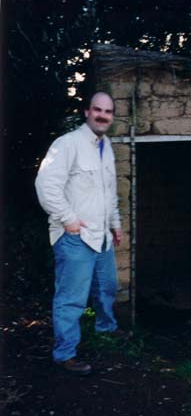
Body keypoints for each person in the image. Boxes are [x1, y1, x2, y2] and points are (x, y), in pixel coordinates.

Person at [35, 92, 122, 375]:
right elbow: (46, 185)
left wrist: (115, 223)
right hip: (75, 237)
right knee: (72, 299)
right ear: (87, 112)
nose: (102, 115)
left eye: (107, 111)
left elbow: (109, 192)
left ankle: (106, 328)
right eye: (97, 110)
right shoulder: (68, 144)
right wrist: (68, 219)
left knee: (107, 286)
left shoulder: (106, 146)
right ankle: (64, 354)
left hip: (102, 236)